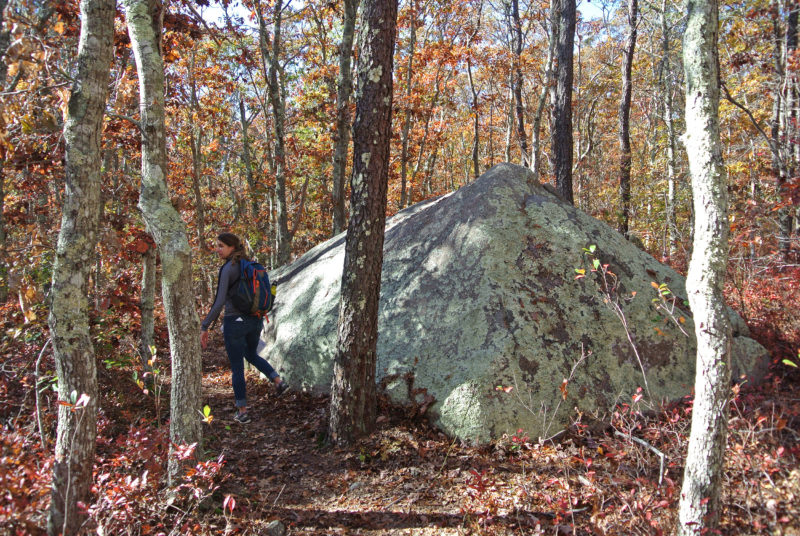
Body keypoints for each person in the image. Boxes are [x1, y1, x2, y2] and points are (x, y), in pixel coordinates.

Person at [201, 232, 288, 423]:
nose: (217, 249)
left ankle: (242, 411)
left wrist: (205, 325)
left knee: (237, 367)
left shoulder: (229, 268)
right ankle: (278, 381)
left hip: (235, 322)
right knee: (251, 354)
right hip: (255, 320)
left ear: (232, 247)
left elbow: (219, 302)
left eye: (221, 246)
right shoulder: (251, 266)